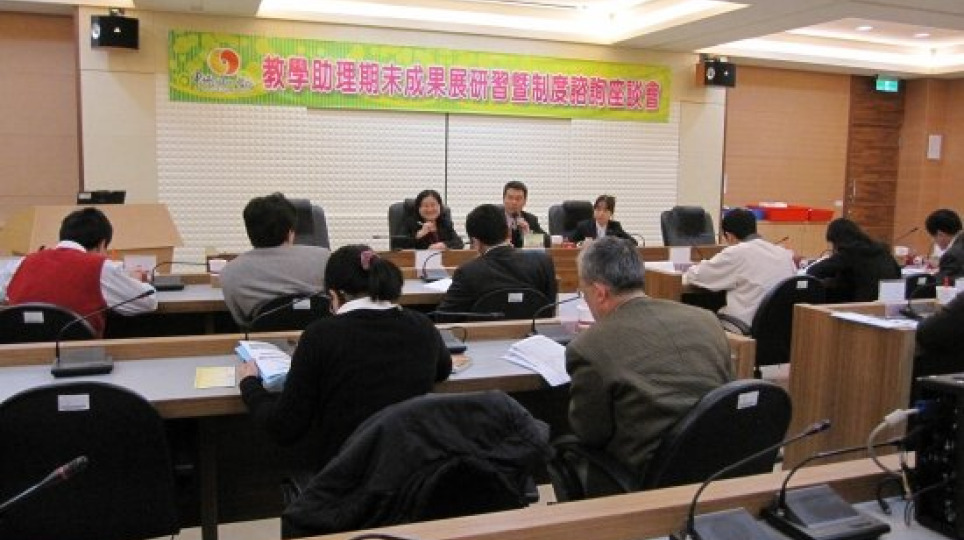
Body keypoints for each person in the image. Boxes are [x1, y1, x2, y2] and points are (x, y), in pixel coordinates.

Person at [238, 245, 452, 471]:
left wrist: (249, 384)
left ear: (333, 295)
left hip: (346, 476)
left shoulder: (320, 335)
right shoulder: (422, 325)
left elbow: (283, 427)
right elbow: (443, 370)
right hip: (412, 473)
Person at [566, 236, 733, 479]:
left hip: (647, 477)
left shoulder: (589, 346)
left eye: (584, 292)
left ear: (600, 293)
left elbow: (590, 433)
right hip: (717, 464)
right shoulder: (707, 320)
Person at [0, 207, 157, 338]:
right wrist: (138, 281)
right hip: (80, 358)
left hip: (20, 357)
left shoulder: (19, 264)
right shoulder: (100, 267)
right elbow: (147, 302)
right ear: (102, 244)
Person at [221, 193, 331, 326]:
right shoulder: (326, 259)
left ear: (249, 233)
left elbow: (241, 321)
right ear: (290, 233)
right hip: (323, 335)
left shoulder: (231, 272)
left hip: (264, 338)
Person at [683, 208, 796, 327]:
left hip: (742, 327)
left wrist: (695, 265)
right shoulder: (784, 254)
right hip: (777, 329)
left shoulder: (737, 252)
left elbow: (696, 276)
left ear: (729, 236)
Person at [438, 203, 557, 314]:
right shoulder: (543, 262)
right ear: (508, 233)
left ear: (476, 242)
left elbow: (445, 316)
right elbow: (550, 308)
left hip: (482, 329)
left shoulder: (467, 272)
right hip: (534, 328)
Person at [805, 218, 900, 302]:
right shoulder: (883, 250)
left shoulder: (850, 251)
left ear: (838, 240)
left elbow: (813, 271)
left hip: (861, 307)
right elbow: (897, 272)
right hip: (889, 304)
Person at [393, 189, 464, 250]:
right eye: (425, 206)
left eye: (433, 205)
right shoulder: (410, 222)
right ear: (418, 208)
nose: (429, 209)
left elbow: (459, 243)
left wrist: (444, 245)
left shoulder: (444, 222)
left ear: (440, 206)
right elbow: (396, 245)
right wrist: (419, 235)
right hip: (416, 260)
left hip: (443, 260)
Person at [569, 195, 637, 245]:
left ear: (611, 213)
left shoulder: (615, 227)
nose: (601, 214)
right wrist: (582, 243)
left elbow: (633, 243)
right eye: (598, 209)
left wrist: (618, 244)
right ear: (594, 211)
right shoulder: (584, 226)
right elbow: (570, 243)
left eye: (605, 210)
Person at [502, 180, 548, 248]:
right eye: (510, 197)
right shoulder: (494, 217)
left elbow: (548, 242)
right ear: (504, 199)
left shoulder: (530, 219)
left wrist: (529, 235)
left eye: (518, 199)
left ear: (525, 201)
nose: (514, 202)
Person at [925, 209, 964, 284]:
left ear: (940, 234)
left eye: (933, 237)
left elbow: (940, 283)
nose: (933, 241)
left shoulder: (952, 255)